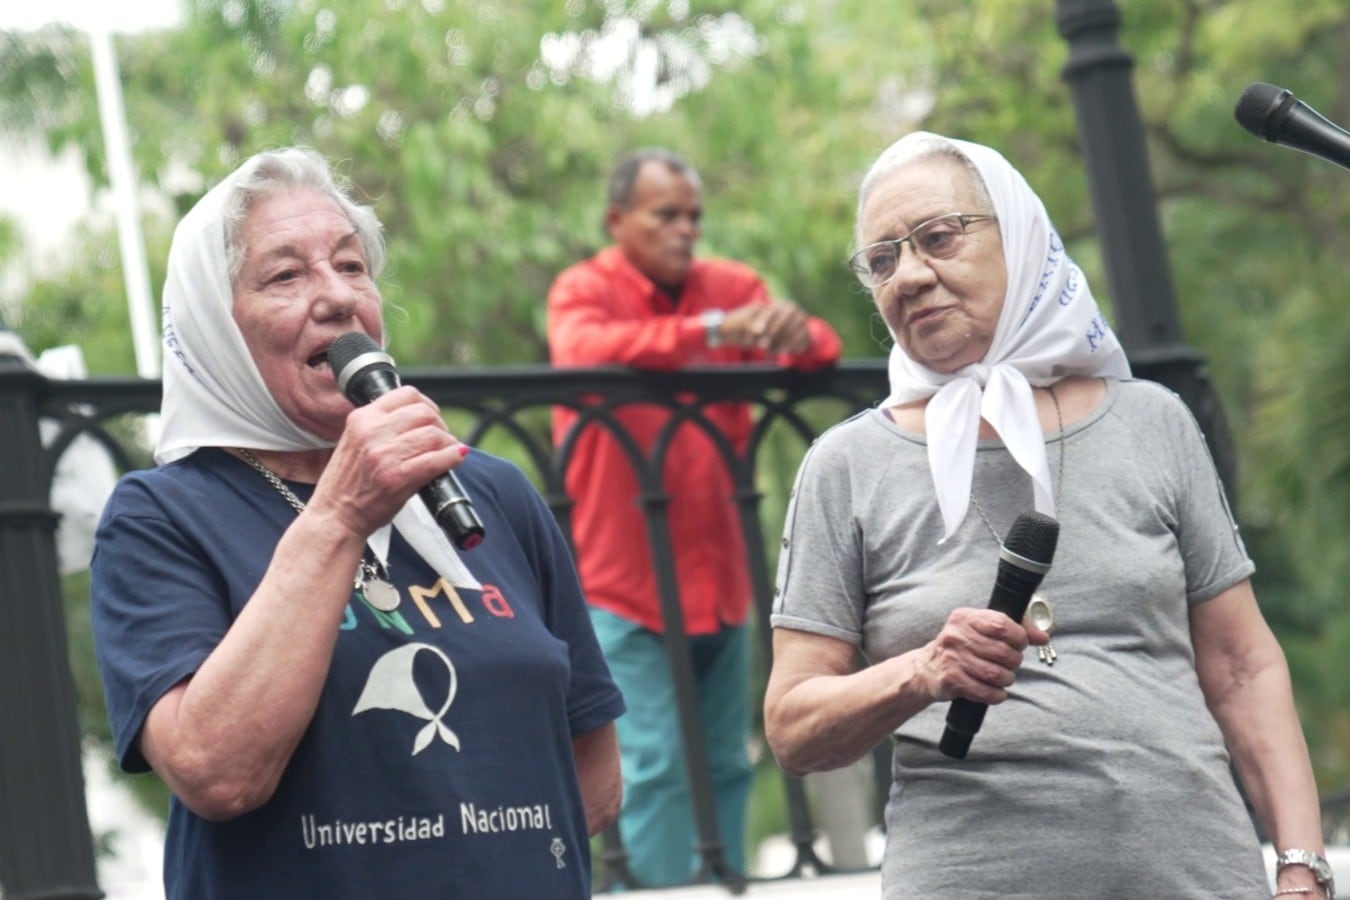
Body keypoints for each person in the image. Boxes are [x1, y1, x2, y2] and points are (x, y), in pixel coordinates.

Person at [763, 132, 1332, 899]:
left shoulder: (1151, 422)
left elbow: (1242, 666)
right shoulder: (847, 466)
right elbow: (794, 727)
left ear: (1020, 232)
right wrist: (921, 672)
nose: (912, 275)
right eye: (883, 259)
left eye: (938, 238)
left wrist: (1302, 865)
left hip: (1197, 874)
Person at [90, 147, 625, 899]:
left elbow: (594, 779)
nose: (338, 298)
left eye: (351, 266)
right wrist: (338, 516)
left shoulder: (494, 491)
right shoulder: (161, 517)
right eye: (286, 275)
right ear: (215, 324)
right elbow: (217, 773)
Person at [547, 148, 842, 887]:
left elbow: (822, 348)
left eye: (694, 217)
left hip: (720, 579)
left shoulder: (734, 286)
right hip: (623, 583)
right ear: (618, 221)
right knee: (647, 768)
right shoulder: (584, 288)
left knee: (726, 761)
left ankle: (727, 886)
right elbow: (581, 350)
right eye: (665, 215)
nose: (686, 230)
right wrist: (711, 333)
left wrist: (795, 335)